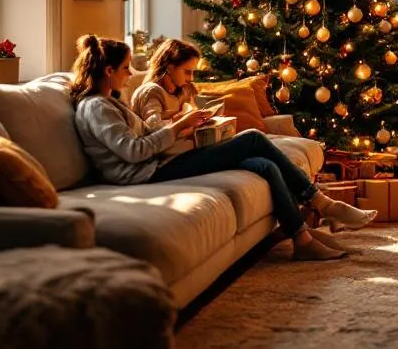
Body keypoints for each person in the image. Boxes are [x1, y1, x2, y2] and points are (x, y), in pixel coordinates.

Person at [70, 35, 376, 261]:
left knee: (264, 164)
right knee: (253, 138)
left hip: (158, 161)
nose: (129, 74)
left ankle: (302, 239)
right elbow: (134, 151)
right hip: (147, 172)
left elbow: (142, 138)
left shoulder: (109, 102)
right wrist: (179, 126)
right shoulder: (96, 107)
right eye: (125, 68)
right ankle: (322, 203)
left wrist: (187, 125)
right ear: (108, 71)